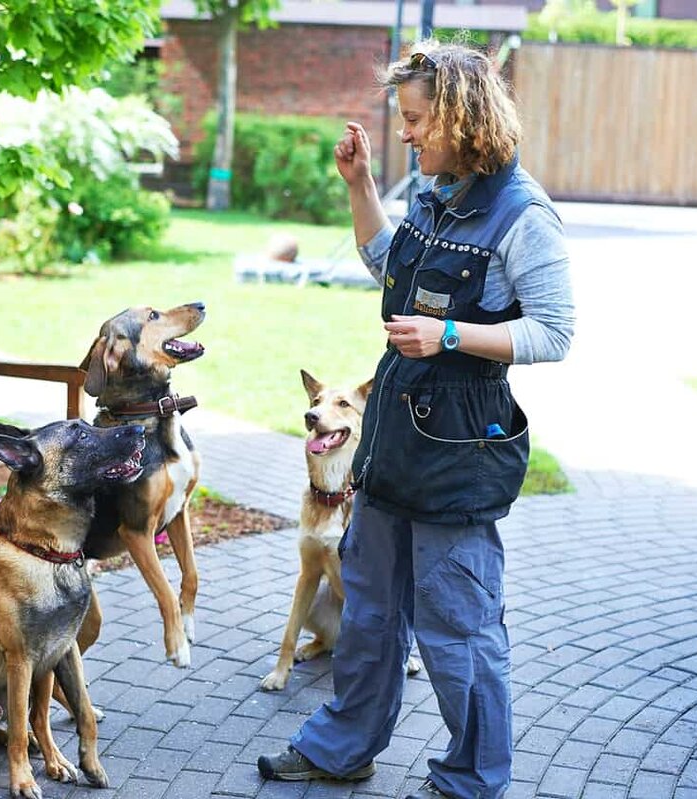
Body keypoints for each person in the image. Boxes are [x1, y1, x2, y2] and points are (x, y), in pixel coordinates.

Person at [256, 42, 575, 799]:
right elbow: (387, 264)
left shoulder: (524, 214)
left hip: (460, 455)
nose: (406, 133)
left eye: (417, 120)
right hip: (393, 448)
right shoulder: (433, 194)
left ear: (463, 117)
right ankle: (342, 748)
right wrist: (361, 183)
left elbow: (555, 332)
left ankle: (469, 778)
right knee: (367, 617)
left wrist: (452, 336)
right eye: (402, 118)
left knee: (458, 629)